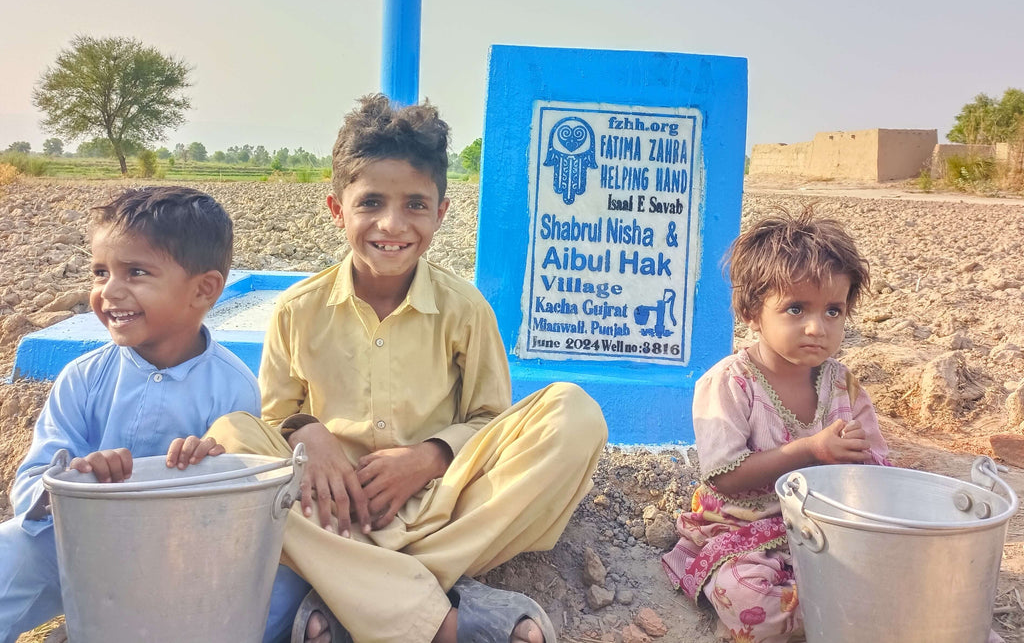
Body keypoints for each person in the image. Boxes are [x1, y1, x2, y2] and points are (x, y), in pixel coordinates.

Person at [207, 94, 608, 643]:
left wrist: (428, 457)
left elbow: (490, 419)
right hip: (333, 509)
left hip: (444, 507)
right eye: (371, 202)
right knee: (231, 436)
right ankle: (440, 611)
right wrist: (311, 433)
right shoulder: (298, 310)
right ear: (337, 209)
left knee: (573, 412)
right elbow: (277, 414)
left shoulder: (465, 309)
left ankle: (352, 591)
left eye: (415, 204)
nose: (392, 224)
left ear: (440, 212)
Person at [0, 186, 260, 642]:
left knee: (266, 592)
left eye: (136, 272)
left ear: (204, 289)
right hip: (76, 543)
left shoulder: (233, 388)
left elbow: (238, 505)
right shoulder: (83, 377)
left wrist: (209, 465)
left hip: (178, 560)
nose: (109, 292)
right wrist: (73, 477)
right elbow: (32, 480)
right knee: (12, 554)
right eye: (100, 272)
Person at [661, 208, 890, 643]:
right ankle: (833, 614)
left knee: (903, 568)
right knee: (750, 599)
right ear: (752, 311)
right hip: (744, 528)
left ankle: (836, 607)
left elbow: (878, 470)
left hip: (827, 528)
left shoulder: (843, 386)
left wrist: (860, 461)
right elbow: (726, 477)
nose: (816, 327)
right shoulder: (730, 383)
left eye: (833, 311)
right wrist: (810, 451)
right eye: (796, 308)